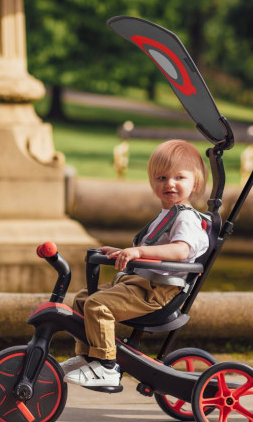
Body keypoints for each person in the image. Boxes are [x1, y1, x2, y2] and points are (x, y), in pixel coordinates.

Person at [61, 139, 209, 387]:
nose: (169, 184)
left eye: (179, 178)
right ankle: (87, 357)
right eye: (161, 178)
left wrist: (138, 251)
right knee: (83, 299)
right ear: (152, 183)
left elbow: (180, 251)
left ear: (195, 183)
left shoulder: (186, 219)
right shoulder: (167, 215)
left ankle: (106, 365)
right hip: (140, 284)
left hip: (158, 291)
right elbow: (153, 252)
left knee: (98, 306)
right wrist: (122, 252)